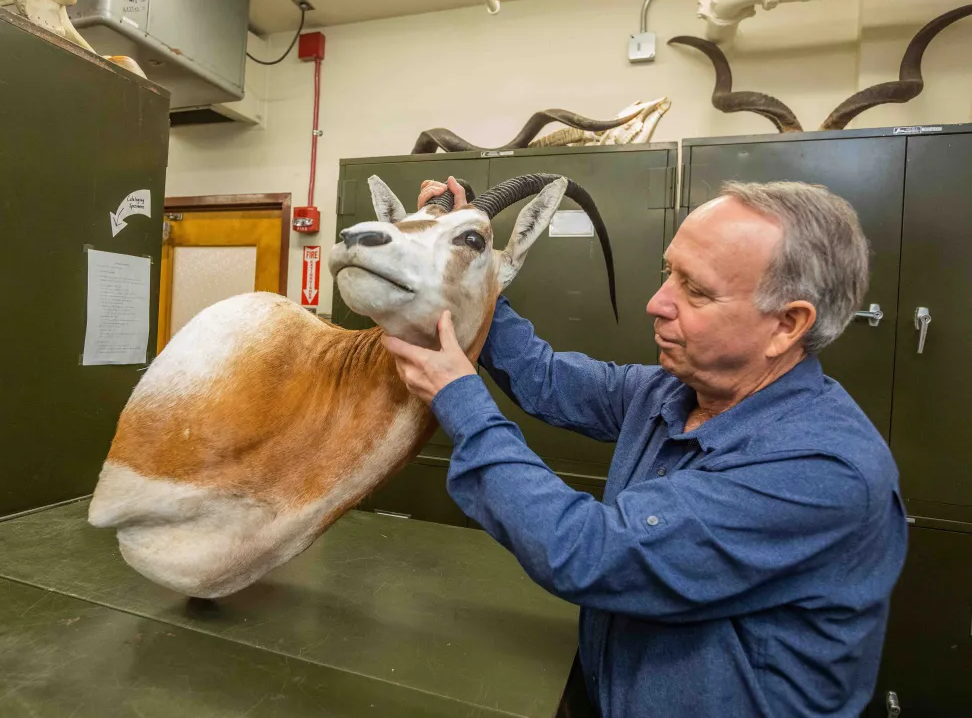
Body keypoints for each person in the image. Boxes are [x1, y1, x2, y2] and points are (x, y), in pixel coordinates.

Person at [382, 177, 908, 718]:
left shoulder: (821, 472)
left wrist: (460, 400)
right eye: (669, 273)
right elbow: (544, 378)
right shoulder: (676, 392)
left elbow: (590, 553)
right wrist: (461, 260)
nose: (657, 303)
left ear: (787, 325)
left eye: (696, 290)